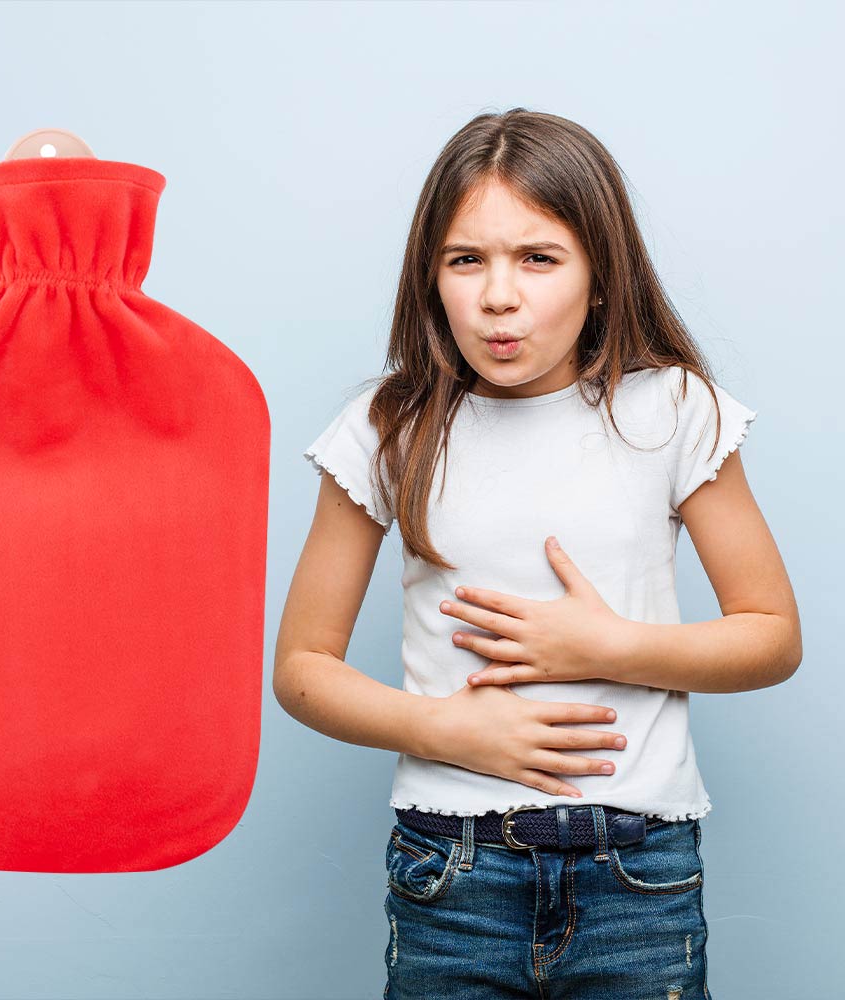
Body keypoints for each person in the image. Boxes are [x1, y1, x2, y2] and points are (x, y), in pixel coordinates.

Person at [273, 108, 801, 1000]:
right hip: (452, 868)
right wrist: (444, 727)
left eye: (539, 259)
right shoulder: (388, 427)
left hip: (638, 873)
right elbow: (300, 667)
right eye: (466, 259)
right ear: (430, 276)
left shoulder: (673, 411)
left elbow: (772, 636)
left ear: (601, 278)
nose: (499, 295)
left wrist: (606, 647)